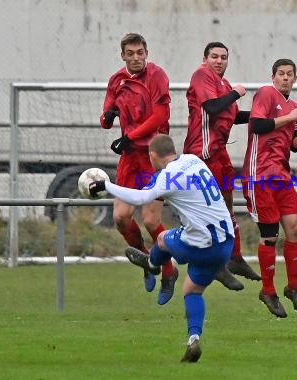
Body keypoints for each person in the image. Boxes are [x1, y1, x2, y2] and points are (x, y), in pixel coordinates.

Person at [88, 134, 234, 363]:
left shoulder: (168, 176)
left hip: (200, 243)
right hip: (225, 243)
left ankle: (152, 264)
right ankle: (193, 338)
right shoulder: (194, 160)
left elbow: (142, 197)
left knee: (164, 239)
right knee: (192, 290)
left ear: (153, 156)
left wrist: (107, 185)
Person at [100, 33, 177, 305]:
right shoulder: (116, 80)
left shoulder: (157, 76)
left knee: (151, 220)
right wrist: (108, 115)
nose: (135, 57)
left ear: (147, 52)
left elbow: (160, 116)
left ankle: (169, 270)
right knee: (121, 217)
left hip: (154, 157)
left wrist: (130, 137)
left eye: (140, 52)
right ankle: (147, 260)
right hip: (130, 159)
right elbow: (106, 119)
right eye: (130, 53)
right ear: (122, 55)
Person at [184, 41, 261, 291]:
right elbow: (212, 107)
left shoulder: (224, 85)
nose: (219, 61)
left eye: (223, 57)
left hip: (220, 154)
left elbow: (233, 115)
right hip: (201, 156)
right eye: (214, 56)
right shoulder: (201, 75)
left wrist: (263, 116)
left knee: (227, 208)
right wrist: (237, 93)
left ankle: (235, 257)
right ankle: (214, 264)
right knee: (210, 212)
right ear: (205, 58)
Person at [242, 58, 297, 318]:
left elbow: (293, 146)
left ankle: (293, 287)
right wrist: (288, 118)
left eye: (289, 74)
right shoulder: (265, 94)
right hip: (259, 175)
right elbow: (257, 125)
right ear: (273, 77)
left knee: (295, 228)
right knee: (270, 235)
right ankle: (268, 290)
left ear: (295, 78)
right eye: (281, 74)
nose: (285, 78)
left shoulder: (293, 106)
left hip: (282, 175)